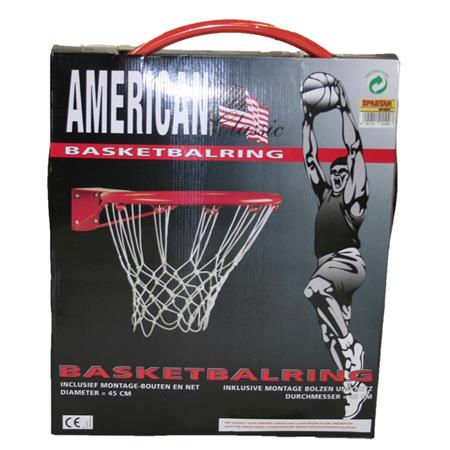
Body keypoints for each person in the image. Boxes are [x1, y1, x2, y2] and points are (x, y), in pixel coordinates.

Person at [301, 73, 370, 419]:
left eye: (344, 173)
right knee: (329, 336)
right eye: (335, 173)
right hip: (327, 265)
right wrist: (307, 120)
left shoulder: (353, 200)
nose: (338, 176)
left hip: (347, 263)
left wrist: (343, 108)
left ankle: (350, 347)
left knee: (314, 290)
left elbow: (354, 149)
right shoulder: (326, 195)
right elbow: (310, 159)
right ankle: (353, 386)